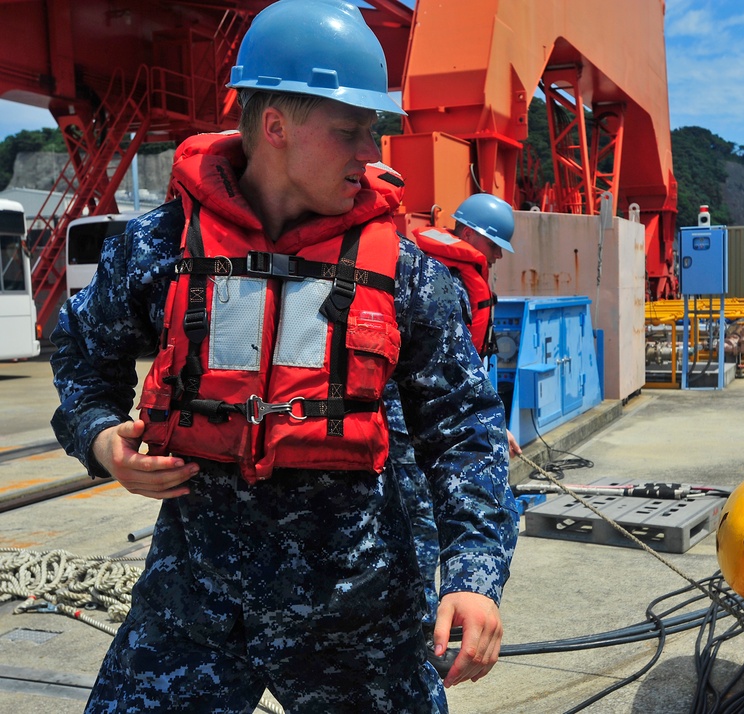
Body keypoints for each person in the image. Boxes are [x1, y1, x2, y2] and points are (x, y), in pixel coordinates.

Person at [48, 1, 518, 712]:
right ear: (276, 126)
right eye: (351, 131)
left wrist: (473, 577)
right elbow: (81, 354)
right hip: (195, 604)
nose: (373, 152)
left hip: (359, 614)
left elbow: (464, 430)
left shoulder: (410, 276)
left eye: (375, 132)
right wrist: (102, 439)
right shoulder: (159, 249)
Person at [388, 193, 521, 634]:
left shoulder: (434, 275)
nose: (498, 253)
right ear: (467, 234)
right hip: (415, 449)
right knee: (429, 541)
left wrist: (491, 426)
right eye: (493, 243)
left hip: (427, 433)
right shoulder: (450, 285)